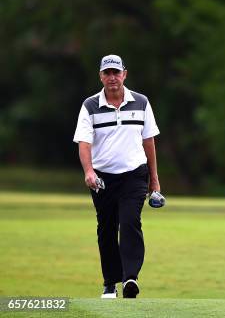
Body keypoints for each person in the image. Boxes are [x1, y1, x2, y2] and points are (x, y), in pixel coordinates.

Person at [73, 54, 161, 299]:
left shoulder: (141, 102)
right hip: (102, 178)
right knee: (107, 228)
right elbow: (84, 142)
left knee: (131, 221)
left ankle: (130, 278)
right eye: (107, 73)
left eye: (116, 72)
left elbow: (149, 141)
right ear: (101, 76)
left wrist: (154, 180)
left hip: (134, 174)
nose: (112, 77)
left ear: (124, 74)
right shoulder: (90, 105)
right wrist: (89, 171)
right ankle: (110, 282)